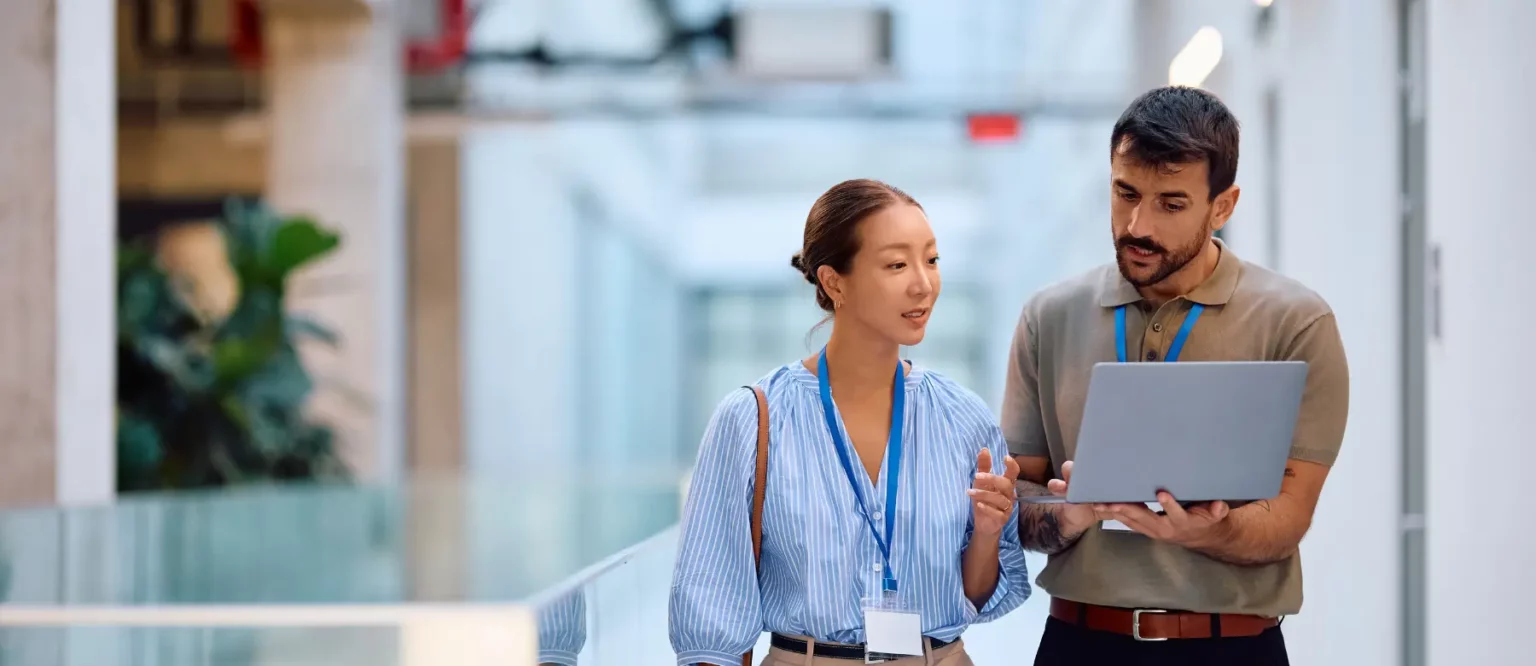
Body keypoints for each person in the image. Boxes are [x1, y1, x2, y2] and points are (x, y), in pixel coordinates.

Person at [1004, 86, 1349, 666]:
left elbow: (1290, 515)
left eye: (1171, 203)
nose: (1138, 224)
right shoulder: (1049, 316)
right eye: (1125, 193)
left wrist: (1207, 532)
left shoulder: (1296, 322)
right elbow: (1016, 501)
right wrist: (1068, 515)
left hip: (1233, 647)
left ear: (1223, 206)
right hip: (1079, 644)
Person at [670, 179, 1032, 666]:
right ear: (833, 281)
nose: (923, 283)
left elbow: (977, 593)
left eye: (932, 259)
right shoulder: (754, 419)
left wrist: (988, 532)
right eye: (897, 264)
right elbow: (710, 612)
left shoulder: (964, 419)